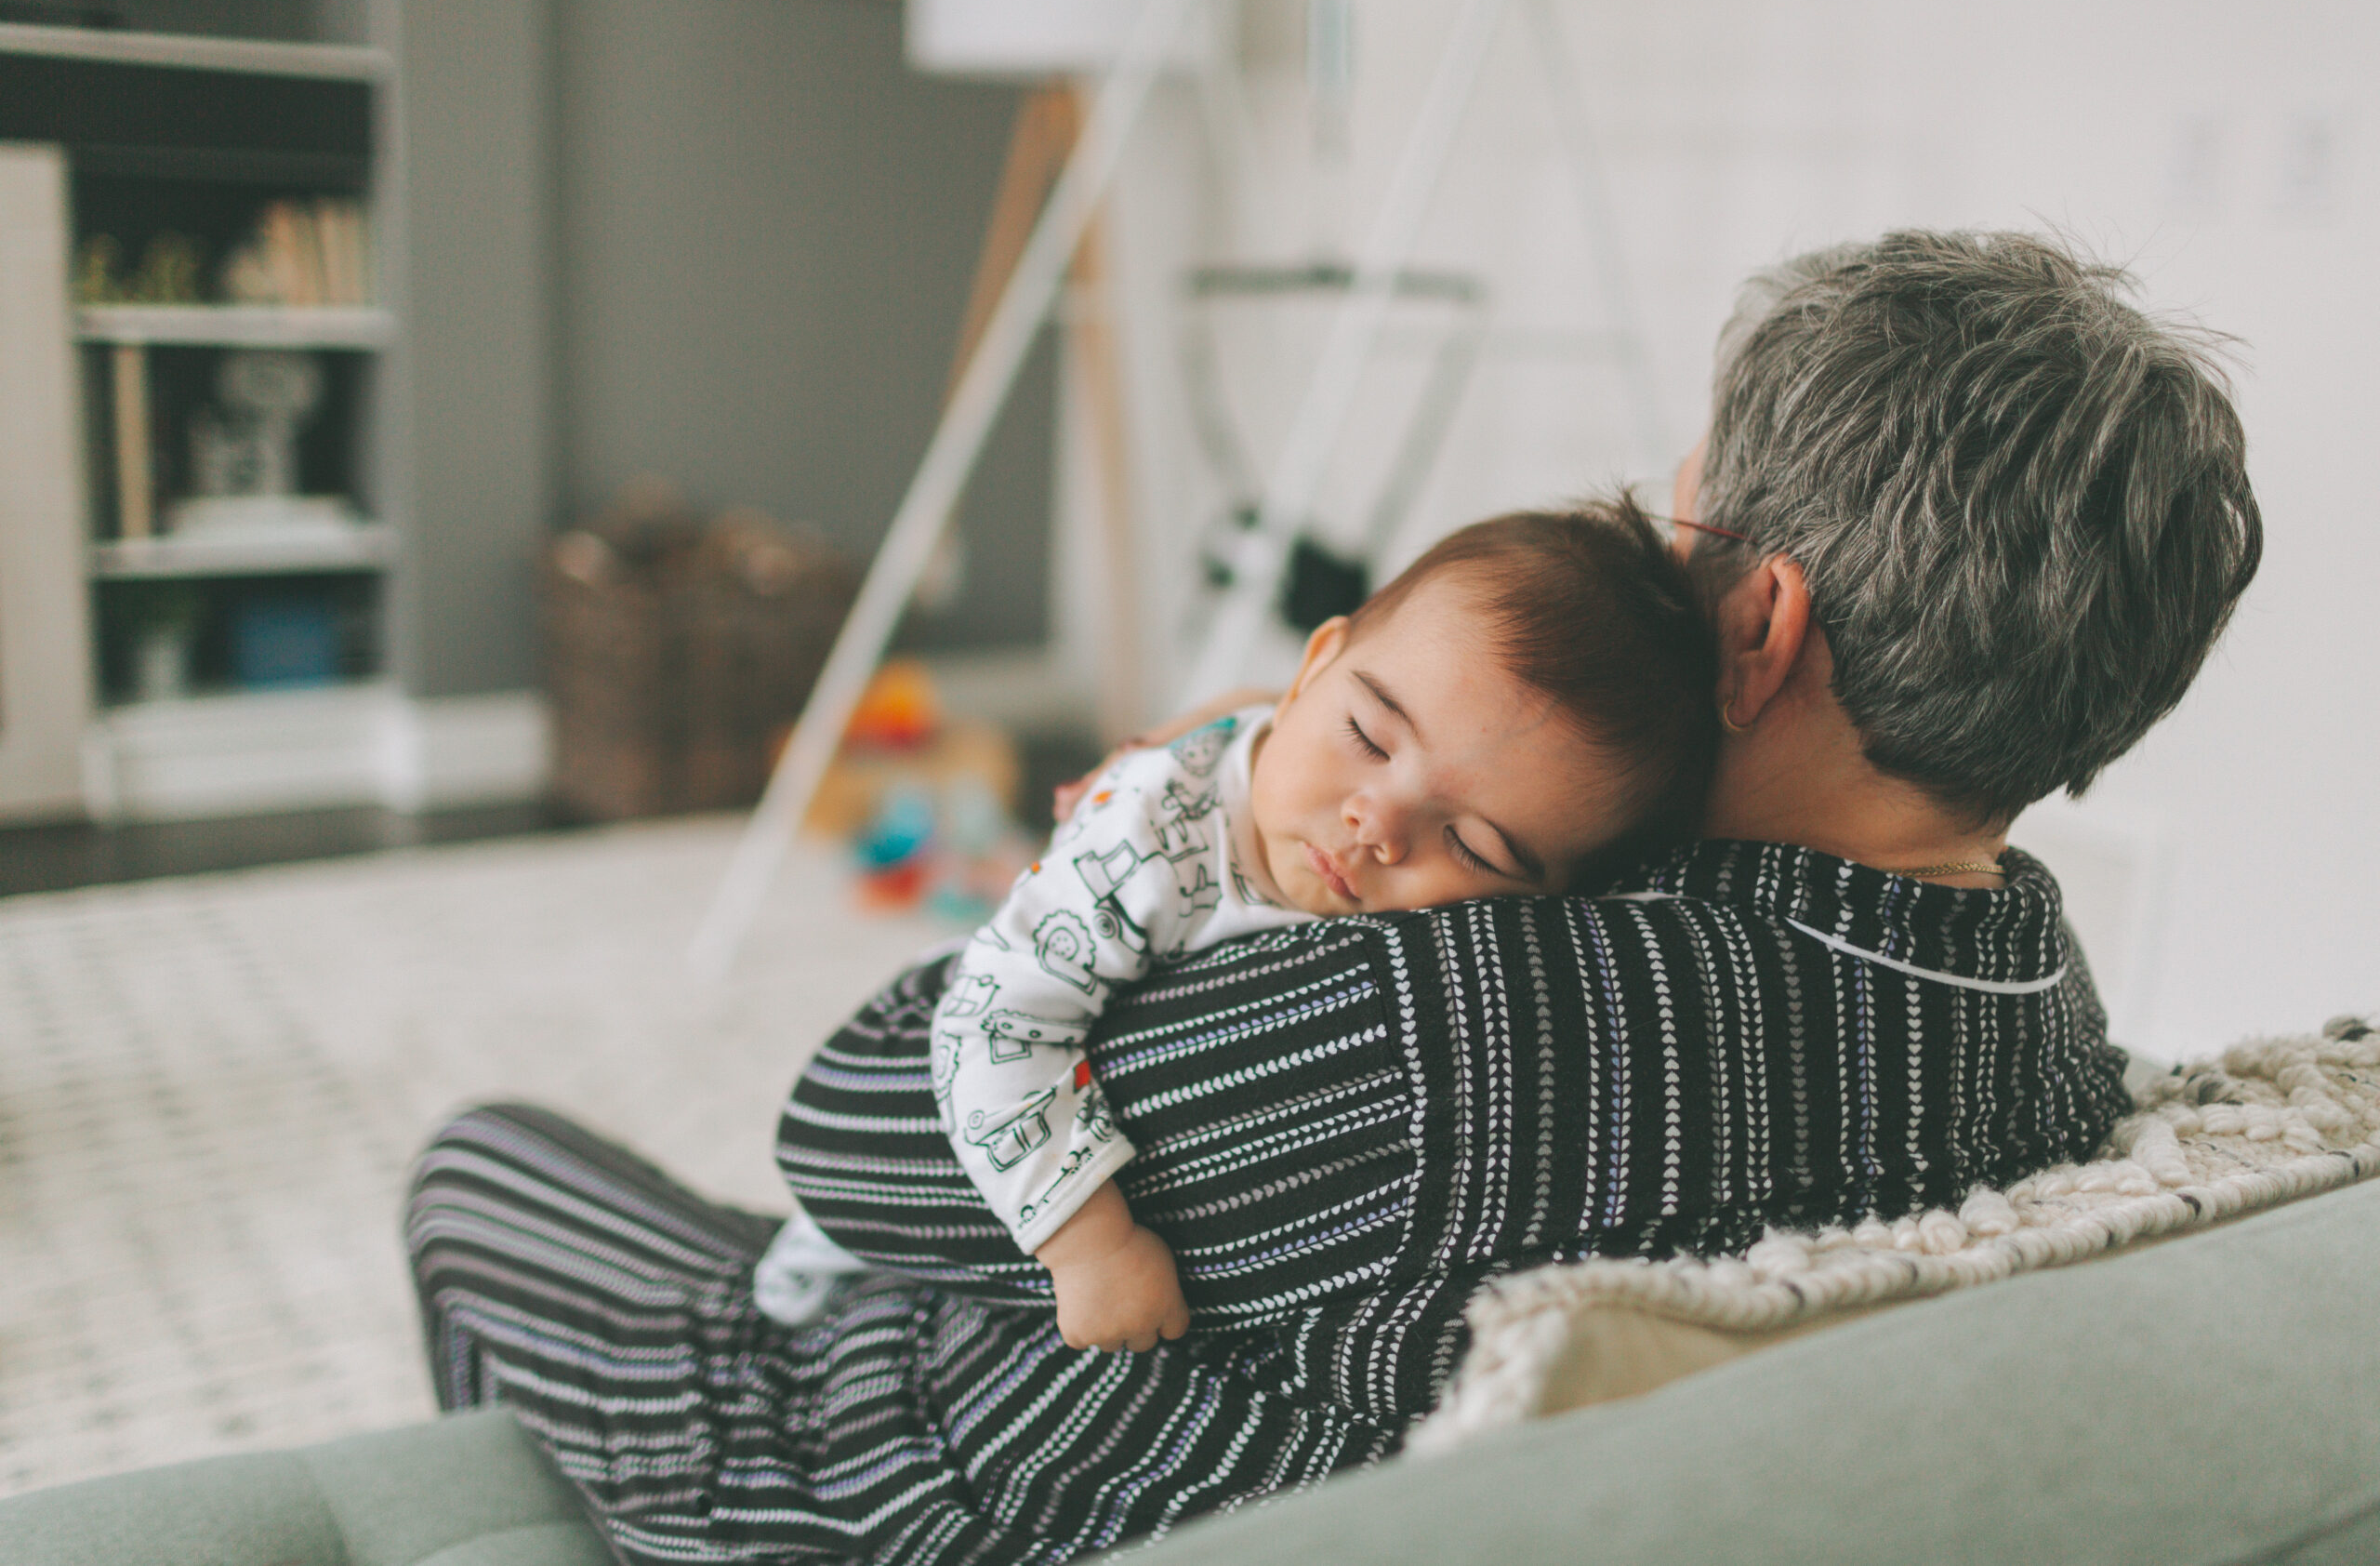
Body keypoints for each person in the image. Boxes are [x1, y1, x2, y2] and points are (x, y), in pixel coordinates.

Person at [406, 231, 2263, 1565]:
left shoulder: (1493, 1013)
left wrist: (1173, 823)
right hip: (1188, 1355)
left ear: (1757, 627)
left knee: (482, 1160)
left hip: (918, 1464)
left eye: (1674, 533)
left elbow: (852, 1125)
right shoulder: (2038, 989)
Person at [758, 502, 1715, 1354]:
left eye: (1472, 845)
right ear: (1310, 670)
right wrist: (1090, 1246)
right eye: (1369, 738)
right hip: (967, 1100)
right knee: (839, 1283)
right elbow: (993, 1026)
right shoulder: (1145, 844)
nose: (1375, 824)